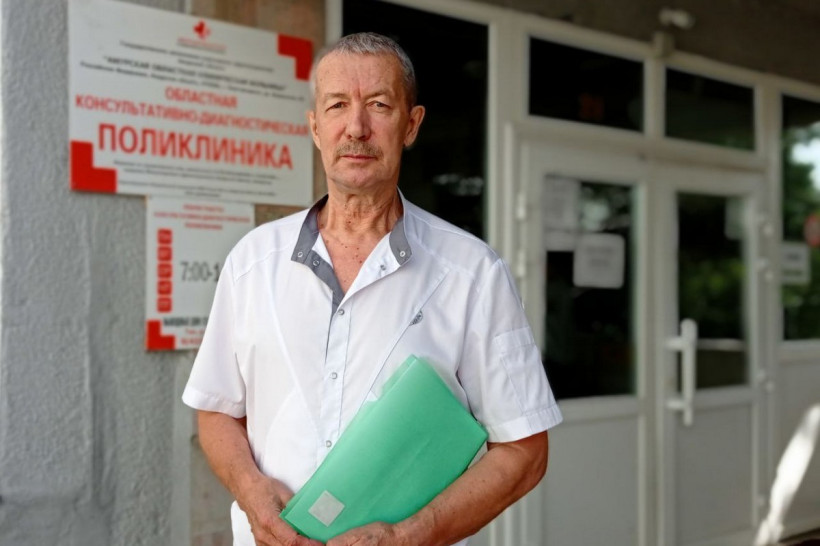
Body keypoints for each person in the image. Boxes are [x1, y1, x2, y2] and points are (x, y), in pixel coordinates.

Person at [182, 32, 562, 546]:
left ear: (412, 124)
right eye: (337, 105)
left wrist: (408, 536)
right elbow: (216, 409)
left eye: (379, 105)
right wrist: (251, 490)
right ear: (315, 128)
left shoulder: (473, 272)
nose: (356, 127)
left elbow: (524, 451)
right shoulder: (252, 261)